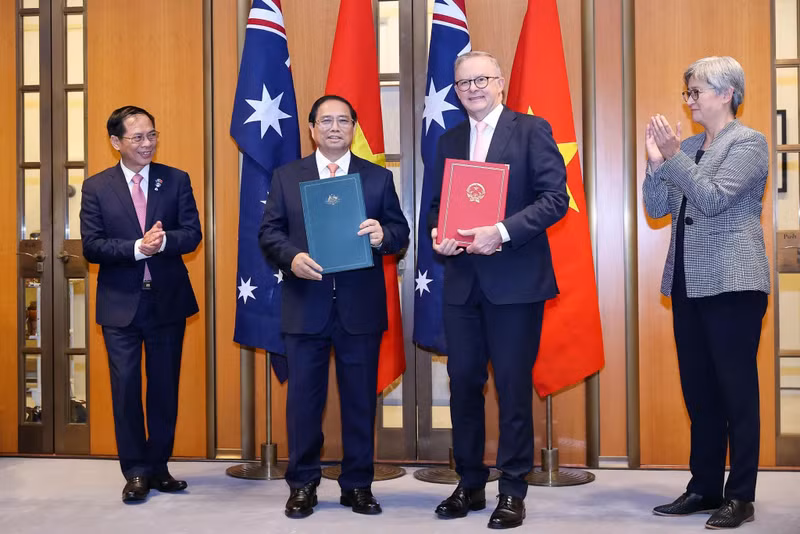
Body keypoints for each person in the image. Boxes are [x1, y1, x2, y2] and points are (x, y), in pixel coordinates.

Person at [428, 51, 569, 530]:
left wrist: (502, 232)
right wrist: (438, 237)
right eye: (463, 82)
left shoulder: (531, 132)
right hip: (463, 286)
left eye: (481, 79)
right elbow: (434, 209)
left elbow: (555, 200)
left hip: (515, 284)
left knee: (511, 388)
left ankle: (512, 488)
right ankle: (469, 482)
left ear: (501, 82)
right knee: (464, 384)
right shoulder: (446, 140)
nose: (473, 88)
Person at [259, 95, 410, 519]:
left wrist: (383, 235)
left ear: (354, 128)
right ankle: (303, 484)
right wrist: (291, 258)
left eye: (343, 120)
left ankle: (358, 485)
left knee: (360, 401)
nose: (334, 128)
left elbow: (401, 232)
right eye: (326, 121)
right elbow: (269, 233)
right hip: (305, 305)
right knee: (304, 402)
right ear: (312, 129)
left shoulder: (377, 178)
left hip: (359, 308)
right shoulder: (288, 177)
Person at [643, 56, 769, 530]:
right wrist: (656, 165)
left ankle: (741, 495)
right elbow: (657, 210)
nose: (689, 100)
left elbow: (714, 198)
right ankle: (703, 487)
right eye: (688, 92)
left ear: (726, 93)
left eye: (696, 92)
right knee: (699, 392)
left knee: (736, 391)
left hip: (733, 283)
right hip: (686, 283)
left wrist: (672, 157)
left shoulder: (749, 143)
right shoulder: (689, 145)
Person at [80, 106, 202, 503]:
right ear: (116, 142)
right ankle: (134, 470)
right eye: (138, 137)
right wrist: (136, 248)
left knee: (164, 388)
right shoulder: (96, 187)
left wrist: (164, 242)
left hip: (167, 301)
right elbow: (92, 246)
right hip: (120, 306)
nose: (148, 143)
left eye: (152, 134)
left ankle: (159, 466)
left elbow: (193, 234)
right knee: (127, 387)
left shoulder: (176, 179)